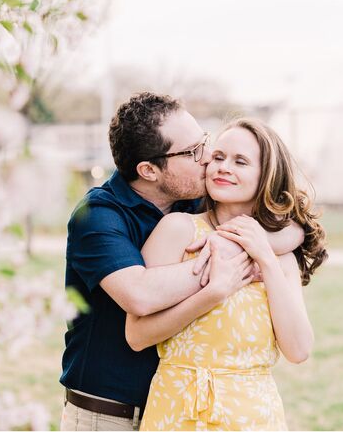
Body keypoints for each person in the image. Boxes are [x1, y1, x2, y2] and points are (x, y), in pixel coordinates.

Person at [60, 93, 304, 431]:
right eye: (192, 152)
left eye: (203, 141)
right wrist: (223, 269)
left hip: (182, 408)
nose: (208, 159)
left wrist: (256, 245)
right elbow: (140, 295)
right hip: (109, 412)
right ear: (149, 170)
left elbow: (292, 227)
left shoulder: (189, 199)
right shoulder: (98, 216)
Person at [127, 118, 328, 431]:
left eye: (241, 161)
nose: (222, 167)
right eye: (218, 157)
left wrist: (265, 258)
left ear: (266, 175)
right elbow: (137, 336)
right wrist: (212, 294)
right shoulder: (178, 230)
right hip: (178, 412)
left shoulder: (280, 256)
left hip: (253, 416)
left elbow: (298, 350)